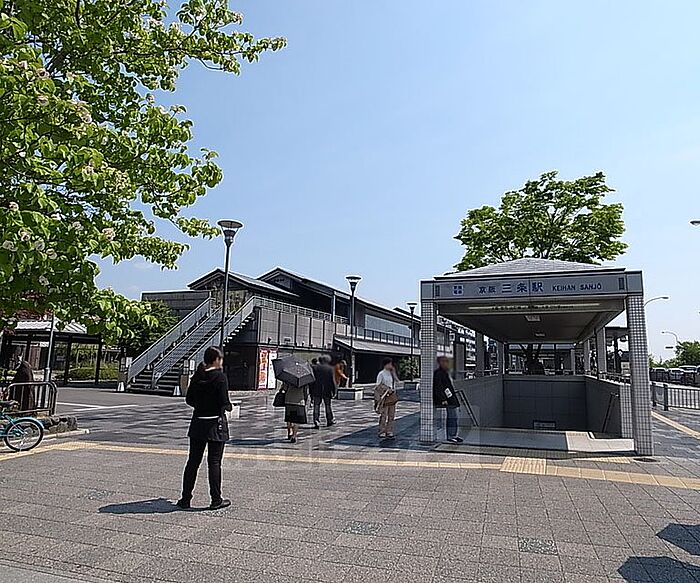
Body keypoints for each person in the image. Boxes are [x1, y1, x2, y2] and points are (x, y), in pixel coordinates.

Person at [177, 346, 232, 511]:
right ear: (216, 359)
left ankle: (185, 498)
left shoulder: (197, 376)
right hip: (215, 424)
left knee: (193, 462)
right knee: (214, 462)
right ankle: (216, 499)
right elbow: (224, 402)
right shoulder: (220, 377)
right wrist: (228, 407)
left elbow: (189, 399)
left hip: (198, 423)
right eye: (220, 359)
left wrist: (201, 406)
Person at [433, 356, 462, 443]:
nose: (446, 363)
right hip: (448, 398)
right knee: (452, 417)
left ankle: (453, 435)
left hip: (450, 397)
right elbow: (438, 387)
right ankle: (451, 435)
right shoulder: (439, 373)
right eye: (444, 362)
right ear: (440, 363)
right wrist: (443, 399)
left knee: (454, 417)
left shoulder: (445, 372)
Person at [374, 358, 399, 439]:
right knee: (384, 415)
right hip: (385, 396)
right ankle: (382, 431)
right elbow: (378, 385)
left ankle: (389, 431)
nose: (391, 365)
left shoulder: (391, 373)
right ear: (386, 364)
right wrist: (386, 389)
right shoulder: (381, 374)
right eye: (390, 364)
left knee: (391, 415)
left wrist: (394, 373)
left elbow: (397, 381)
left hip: (392, 396)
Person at [311, 355, 336, 429]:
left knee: (316, 406)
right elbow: (332, 381)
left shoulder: (315, 368)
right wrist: (334, 391)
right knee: (328, 406)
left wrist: (311, 391)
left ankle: (316, 421)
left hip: (317, 390)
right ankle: (329, 420)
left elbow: (312, 380)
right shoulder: (330, 369)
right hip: (327, 390)